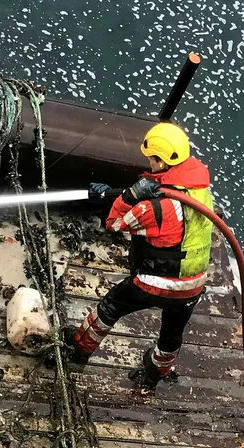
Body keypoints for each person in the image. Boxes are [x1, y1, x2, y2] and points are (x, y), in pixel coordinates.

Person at [64, 122, 215, 389]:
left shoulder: (155, 208)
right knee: (171, 334)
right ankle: (155, 374)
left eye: (151, 159)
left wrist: (127, 197)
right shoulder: (200, 191)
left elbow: (114, 223)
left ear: (160, 160)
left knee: (110, 308)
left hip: (156, 282)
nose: (149, 162)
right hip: (193, 284)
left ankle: (78, 351)